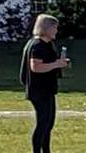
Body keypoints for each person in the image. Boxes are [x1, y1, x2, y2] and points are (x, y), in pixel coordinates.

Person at [22, 13, 71, 153]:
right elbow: (35, 67)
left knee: (48, 124)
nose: (56, 31)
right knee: (42, 124)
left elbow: (49, 63)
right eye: (54, 28)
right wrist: (56, 64)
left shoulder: (47, 44)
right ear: (46, 28)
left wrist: (60, 63)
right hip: (39, 91)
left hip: (47, 89)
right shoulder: (37, 45)